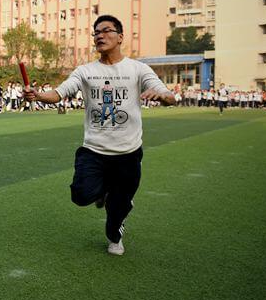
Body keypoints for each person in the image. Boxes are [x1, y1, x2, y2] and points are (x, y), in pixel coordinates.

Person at [24, 15, 175, 256]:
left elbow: (166, 93)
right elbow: (60, 92)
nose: (100, 36)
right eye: (96, 33)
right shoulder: (85, 71)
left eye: (106, 31)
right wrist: (39, 96)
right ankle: (104, 192)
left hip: (128, 153)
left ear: (120, 37)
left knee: (117, 212)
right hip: (94, 150)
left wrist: (164, 97)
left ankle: (115, 232)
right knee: (81, 195)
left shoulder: (138, 69)